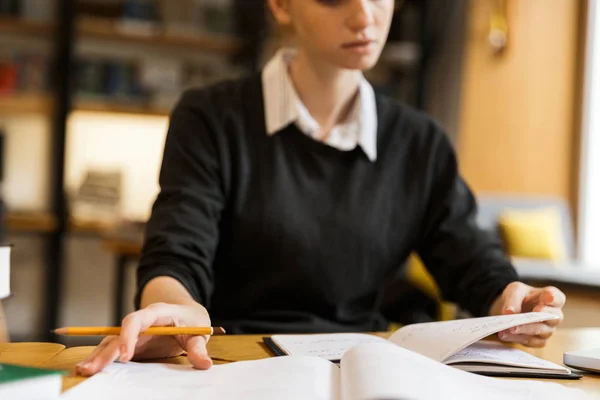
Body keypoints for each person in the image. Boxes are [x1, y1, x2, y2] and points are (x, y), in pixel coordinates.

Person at [76, 0, 565, 376]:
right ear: (281, 5)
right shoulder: (210, 118)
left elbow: (468, 257)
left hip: (363, 366)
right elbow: (177, 251)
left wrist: (509, 300)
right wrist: (175, 311)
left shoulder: (419, 142)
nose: (364, 16)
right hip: (232, 365)